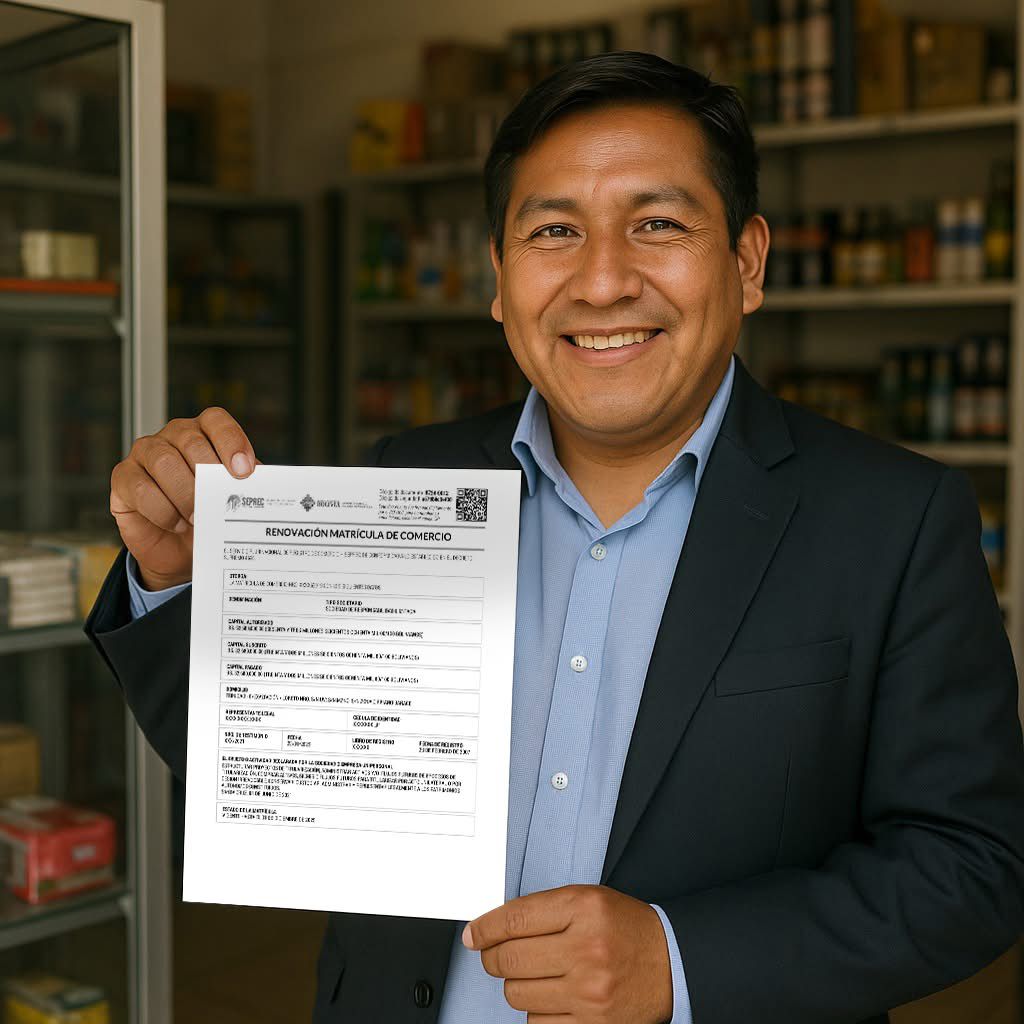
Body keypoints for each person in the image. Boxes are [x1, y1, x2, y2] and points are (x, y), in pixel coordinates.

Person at [86, 52, 1024, 1024]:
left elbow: (975, 863)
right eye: (554, 231)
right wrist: (180, 580)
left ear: (747, 262)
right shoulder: (409, 483)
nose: (603, 281)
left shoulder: (892, 520)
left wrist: (678, 961)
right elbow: (282, 776)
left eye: (657, 224)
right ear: (499, 278)